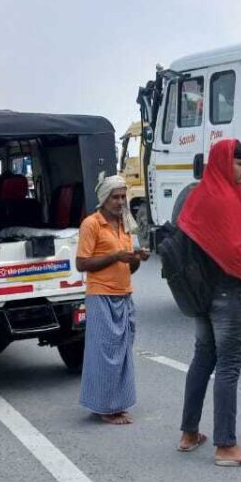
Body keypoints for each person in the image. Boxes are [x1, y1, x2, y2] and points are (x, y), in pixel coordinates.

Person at [176, 138, 241, 468]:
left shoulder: (198, 194)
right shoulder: (225, 199)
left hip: (200, 293)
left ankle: (189, 433)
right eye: (239, 163)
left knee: (203, 358)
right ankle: (226, 446)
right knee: (229, 365)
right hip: (227, 294)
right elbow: (234, 252)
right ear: (223, 162)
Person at [77, 173, 149, 424]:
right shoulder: (92, 224)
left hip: (124, 294)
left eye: (123, 197)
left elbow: (129, 267)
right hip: (101, 295)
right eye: (115, 197)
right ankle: (104, 408)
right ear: (104, 199)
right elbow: (82, 263)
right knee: (104, 354)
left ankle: (117, 405)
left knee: (122, 353)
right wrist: (115, 257)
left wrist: (136, 258)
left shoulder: (125, 223)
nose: (120, 202)